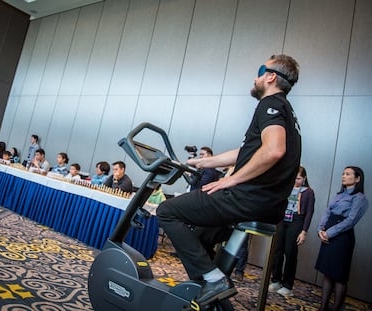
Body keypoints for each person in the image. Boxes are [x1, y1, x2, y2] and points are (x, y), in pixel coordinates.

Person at [157, 54, 301, 307]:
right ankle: (212, 293)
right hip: (265, 202)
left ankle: (214, 280)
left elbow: (274, 150)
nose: (255, 77)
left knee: (167, 211)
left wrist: (230, 180)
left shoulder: (272, 105)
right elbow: (246, 152)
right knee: (200, 236)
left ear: (271, 77)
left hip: (249, 197)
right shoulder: (285, 111)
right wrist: (203, 163)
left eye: (260, 70)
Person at [315, 166, 368, 311]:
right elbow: (328, 211)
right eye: (343, 173)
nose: (344, 176)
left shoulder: (360, 198)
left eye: (348, 174)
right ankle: (323, 307)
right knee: (327, 272)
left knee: (339, 275)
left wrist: (329, 233)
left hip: (342, 237)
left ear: (357, 179)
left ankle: (336, 308)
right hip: (328, 232)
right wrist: (321, 229)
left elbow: (350, 221)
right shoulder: (339, 195)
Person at [269, 165, 315, 297]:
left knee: (290, 252)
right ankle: (276, 280)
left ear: (304, 178)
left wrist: (304, 231)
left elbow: (310, 213)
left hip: (296, 220)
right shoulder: (286, 188)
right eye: (294, 177)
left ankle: (288, 285)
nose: (296, 180)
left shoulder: (308, 192)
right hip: (283, 219)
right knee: (277, 250)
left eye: (299, 178)